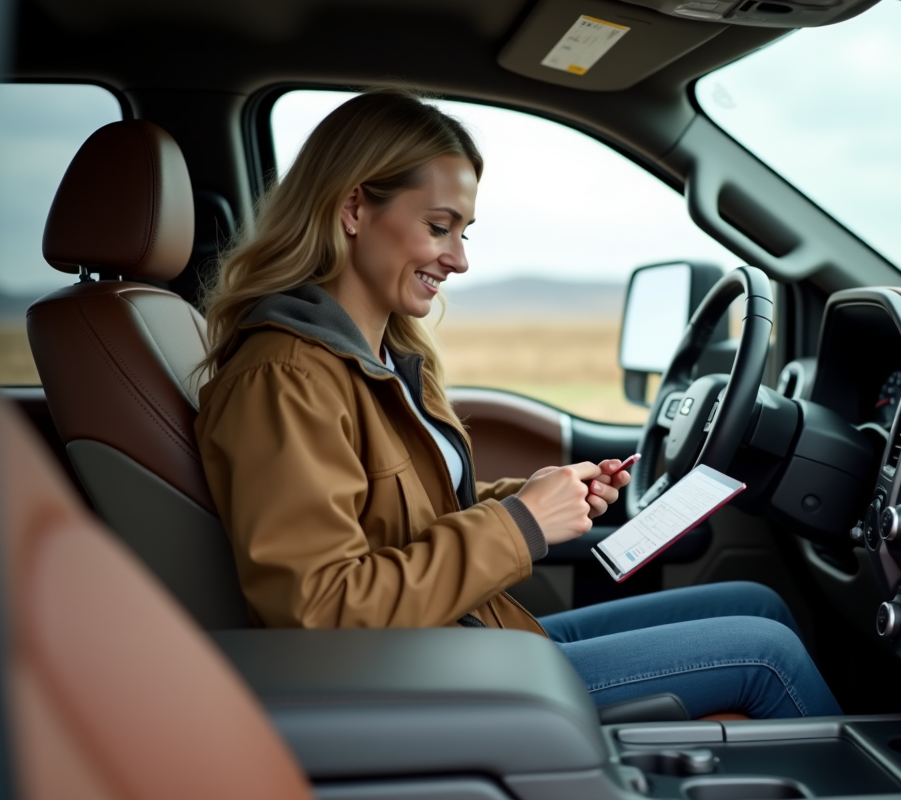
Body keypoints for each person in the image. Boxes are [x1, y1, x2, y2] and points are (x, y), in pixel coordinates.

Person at [194, 89, 841, 720]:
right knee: (767, 655)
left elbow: (401, 520)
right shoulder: (283, 379)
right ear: (354, 208)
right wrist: (521, 525)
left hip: (461, 641)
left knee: (757, 604)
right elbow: (322, 609)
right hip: (413, 682)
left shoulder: (378, 357)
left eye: (464, 232)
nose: (460, 260)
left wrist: (533, 496)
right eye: (439, 228)